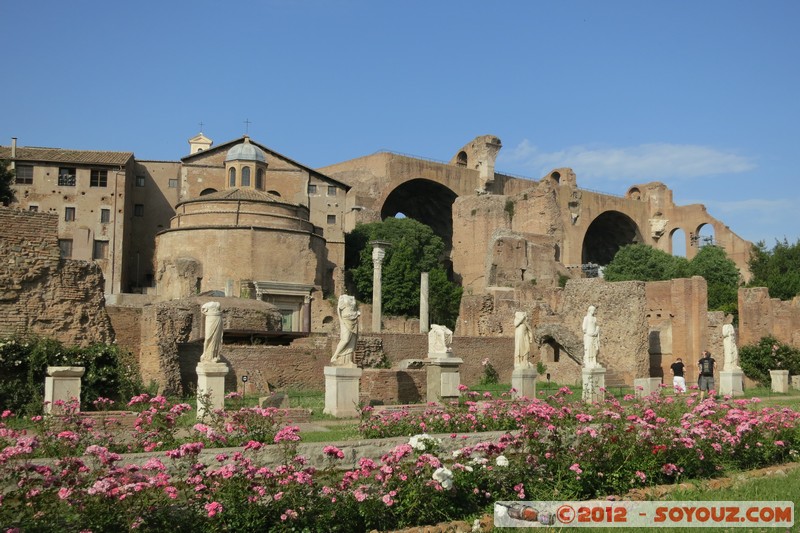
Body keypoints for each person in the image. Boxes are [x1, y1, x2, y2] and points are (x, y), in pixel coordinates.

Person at [330, 295, 359, 367]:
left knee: (352, 341)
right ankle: (335, 356)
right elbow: (339, 310)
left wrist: (357, 313)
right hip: (345, 320)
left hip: (354, 320)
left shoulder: (353, 298)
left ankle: (348, 360)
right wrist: (341, 320)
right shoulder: (342, 298)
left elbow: (354, 309)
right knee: (345, 339)